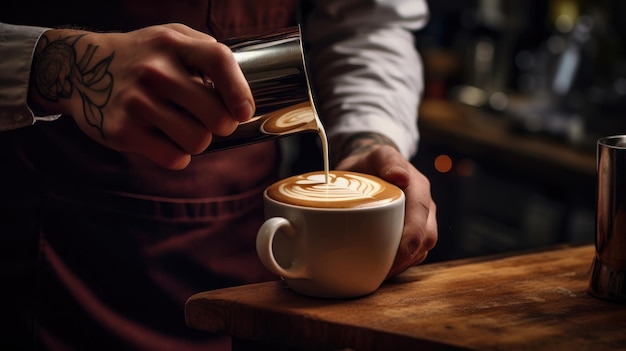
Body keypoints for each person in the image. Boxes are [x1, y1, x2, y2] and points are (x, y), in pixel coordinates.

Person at [0, 0, 437, 350]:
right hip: (50, 239)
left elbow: (364, 25)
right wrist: (50, 63)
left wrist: (368, 138)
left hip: (244, 241)